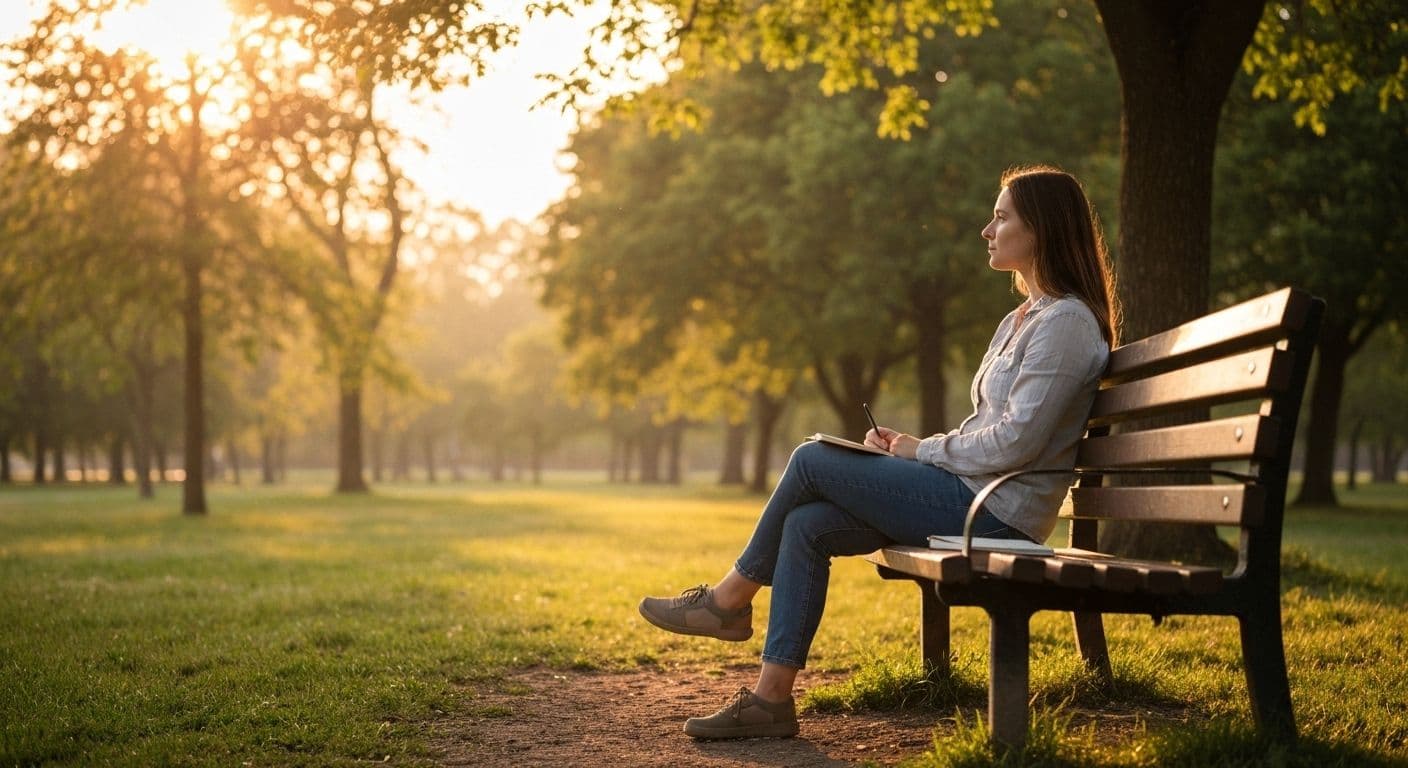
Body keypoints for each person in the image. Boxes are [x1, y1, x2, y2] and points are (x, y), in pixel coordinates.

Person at [638, 165, 1120, 740]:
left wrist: (923, 451)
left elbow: (1018, 441)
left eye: (1001, 217)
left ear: (1040, 229)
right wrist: (911, 453)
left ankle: (727, 601)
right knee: (808, 523)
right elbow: (995, 429)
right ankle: (770, 702)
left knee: (811, 459)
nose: (986, 230)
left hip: (997, 513)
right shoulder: (1019, 319)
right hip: (970, 496)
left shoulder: (1064, 322)